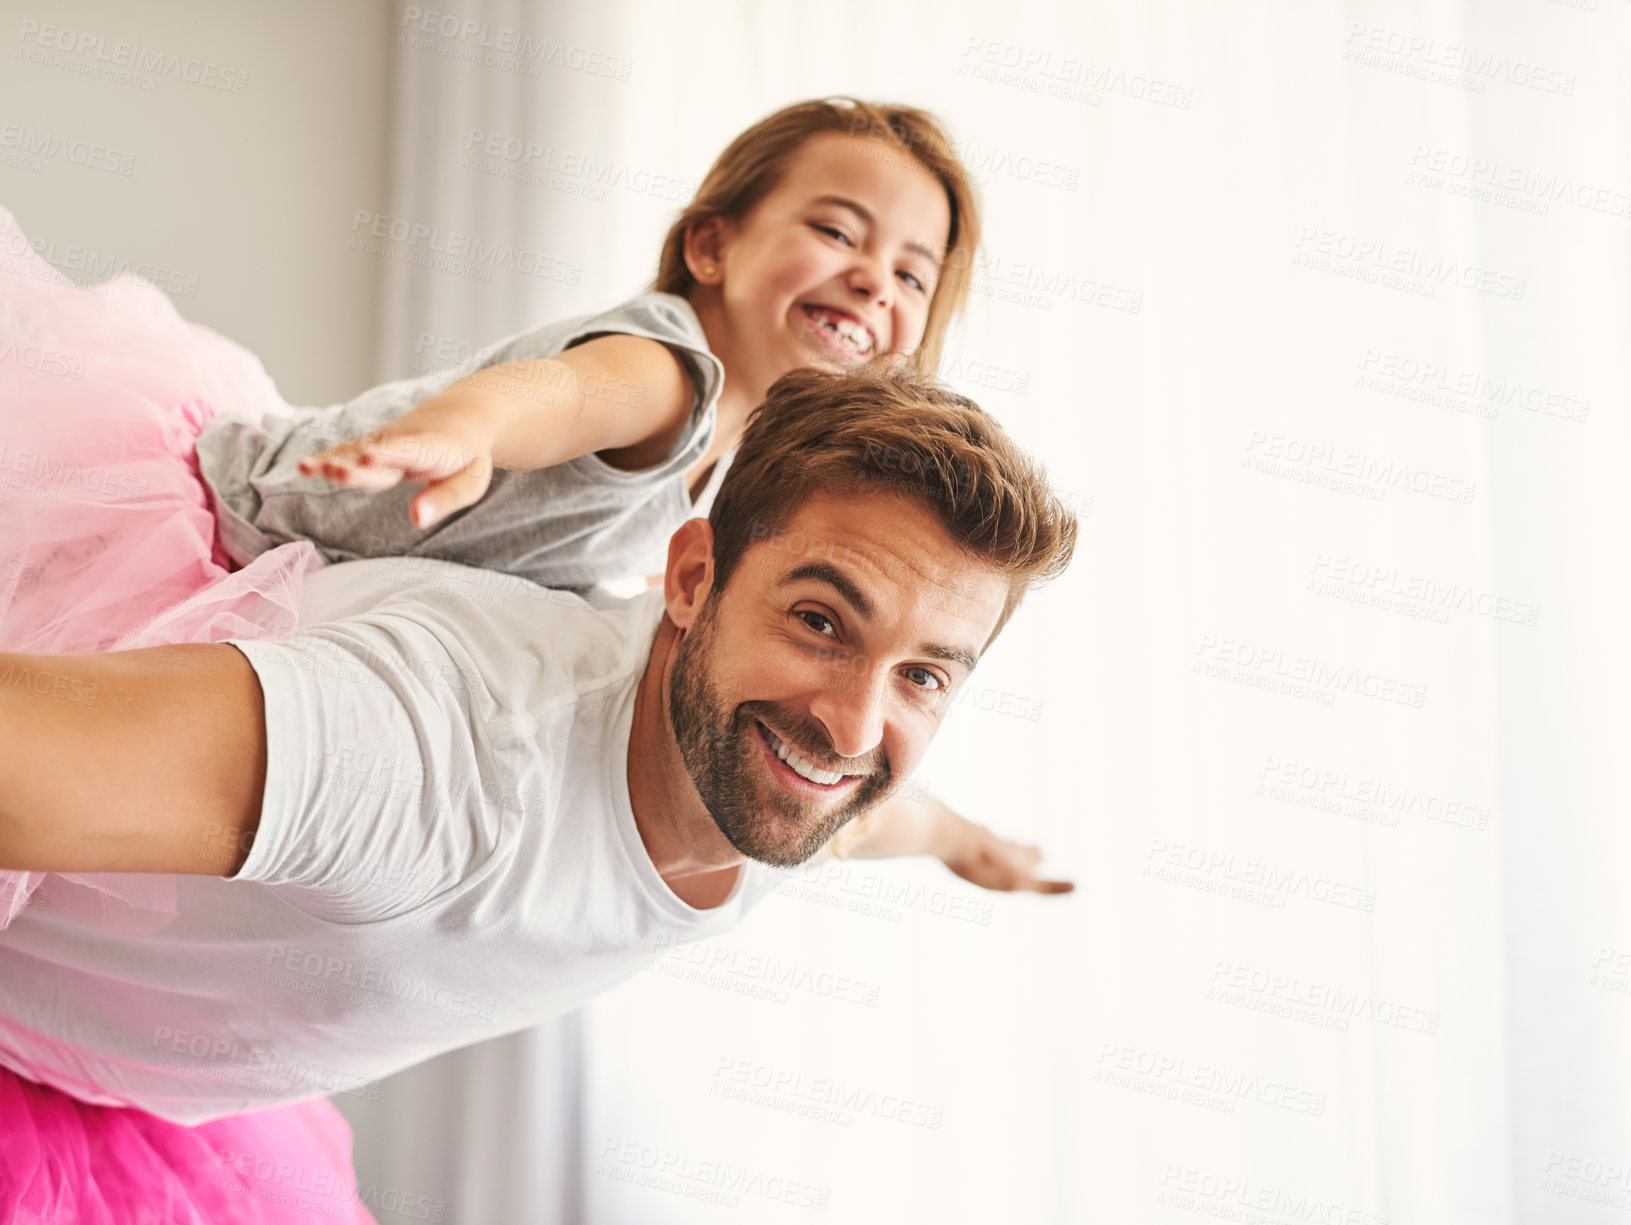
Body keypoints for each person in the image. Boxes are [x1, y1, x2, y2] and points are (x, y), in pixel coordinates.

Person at [0, 367, 1076, 1213]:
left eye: (923, 675)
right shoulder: (439, 754)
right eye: (818, 621)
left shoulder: (804, 775)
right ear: (691, 578)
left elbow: (878, 809)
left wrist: (970, 843)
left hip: (152, 1093)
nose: (851, 722)